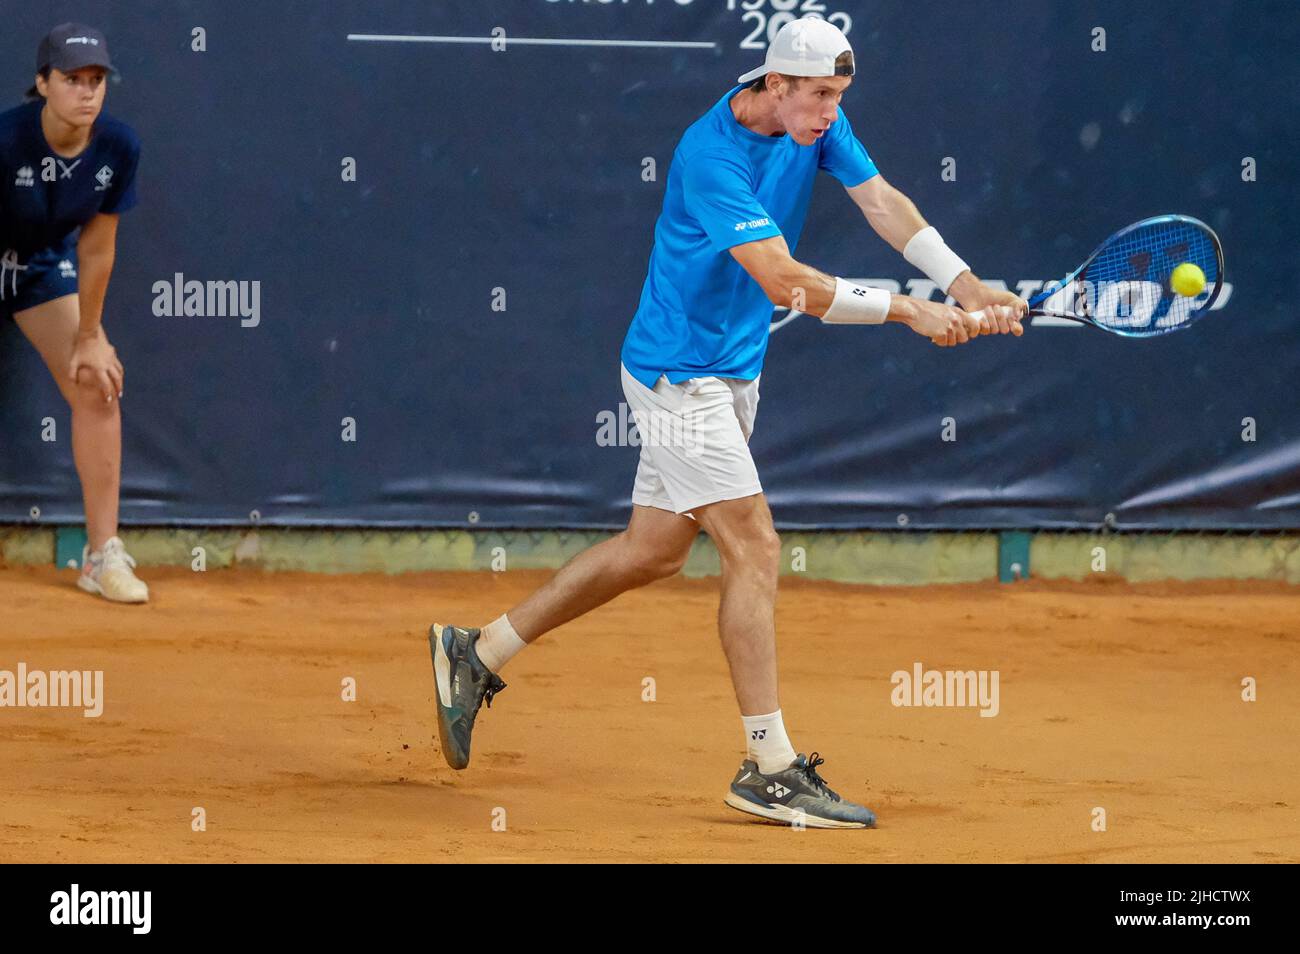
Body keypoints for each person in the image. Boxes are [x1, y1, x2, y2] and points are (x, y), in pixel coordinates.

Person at [428, 18, 1026, 828]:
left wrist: (962, 280)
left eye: (838, 98)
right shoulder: (710, 158)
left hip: (731, 373)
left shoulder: (816, 118)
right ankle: (769, 765)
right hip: (679, 379)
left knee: (652, 552)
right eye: (817, 97)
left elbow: (880, 200)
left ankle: (478, 651)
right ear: (773, 85)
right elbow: (786, 282)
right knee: (755, 545)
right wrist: (910, 312)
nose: (828, 113)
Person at [0, 23, 147, 602]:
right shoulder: (4, 140)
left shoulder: (118, 147)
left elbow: (96, 246)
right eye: (72, 79)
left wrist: (90, 336)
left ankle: (100, 557)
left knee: (95, 382)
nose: (86, 92)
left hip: (39, 268)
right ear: (42, 84)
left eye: (96, 80)